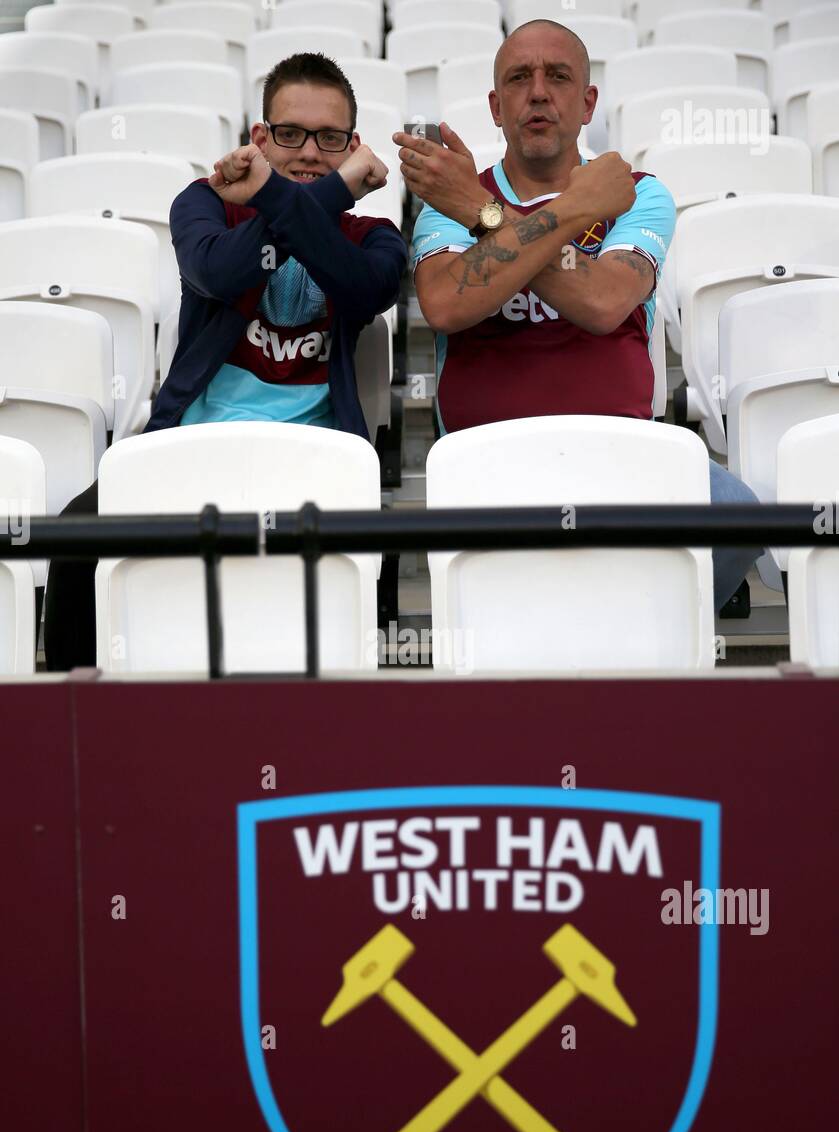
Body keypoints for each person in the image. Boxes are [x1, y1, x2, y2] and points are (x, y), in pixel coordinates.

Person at [45, 52, 407, 670]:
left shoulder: (374, 236)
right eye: (289, 135)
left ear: (353, 143)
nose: (310, 153)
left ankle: (370, 731)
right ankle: (69, 721)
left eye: (330, 139)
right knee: (78, 529)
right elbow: (218, 272)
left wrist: (280, 197)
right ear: (259, 139)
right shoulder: (204, 203)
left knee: (388, 544)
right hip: (191, 451)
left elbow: (362, 290)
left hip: (314, 460)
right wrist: (328, 189)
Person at [394, 20, 761, 611]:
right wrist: (568, 212)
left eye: (558, 76)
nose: (539, 92)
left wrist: (484, 216)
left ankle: (653, 653)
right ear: (495, 105)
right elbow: (444, 303)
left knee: (739, 517)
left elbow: (605, 302)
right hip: (487, 462)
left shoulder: (637, 192)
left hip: (623, 456)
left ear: (588, 102)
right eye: (519, 78)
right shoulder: (452, 200)